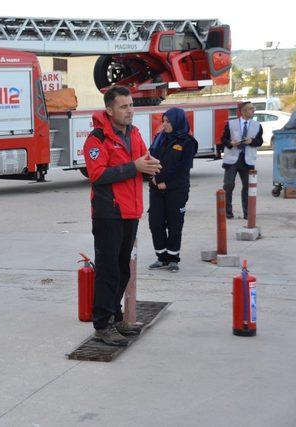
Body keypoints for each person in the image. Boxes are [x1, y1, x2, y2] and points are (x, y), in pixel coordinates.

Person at [83, 85, 162, 347]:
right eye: (123, 106)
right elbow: (97, 175)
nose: (129, 111)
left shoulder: (134, 134)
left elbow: (142, 160)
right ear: (109, 109)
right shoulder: (97, 139)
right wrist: (135, 167)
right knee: (108, 271)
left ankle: (115, 317)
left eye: (131, 106)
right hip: (109, 213)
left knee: (122, 270)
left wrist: (150, 169)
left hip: (130, 211)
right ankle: (102, 325)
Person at [147, 108, 198, 273]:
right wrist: (154, 179)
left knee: (175, 225)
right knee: (155, 223)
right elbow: (149, 160)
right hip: (156, 188)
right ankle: (161, 257)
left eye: (168, 121)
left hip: (176, 189)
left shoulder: (188, 142)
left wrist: (163, 181)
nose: (165, 124)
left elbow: (182, 168)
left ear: (177, 121)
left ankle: (173, 258)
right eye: (164, 121)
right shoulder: (159, 138)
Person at [221, 101, 263, 219]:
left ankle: (247, 213)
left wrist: (252, 142)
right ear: (243, 111)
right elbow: (223, 139)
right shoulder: (231, 124)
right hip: (232, 159)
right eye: (250, 109)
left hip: (248, 160)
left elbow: (259, 141)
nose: (253, 110)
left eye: (253, 108)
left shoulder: (257, 125)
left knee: (248, 187)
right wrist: (230, 143)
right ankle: (227, 213)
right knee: (228, 186)